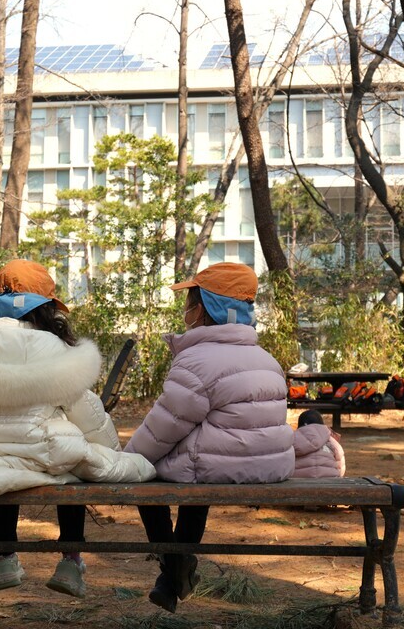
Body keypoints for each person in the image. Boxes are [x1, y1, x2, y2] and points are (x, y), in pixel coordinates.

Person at [0, 259, 156, 598]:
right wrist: (108, 449)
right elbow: (85, 410)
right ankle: (70, 560)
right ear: (45, 307)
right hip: (44, 450)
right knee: (70, 464)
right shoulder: (52, 346)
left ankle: (3, 558)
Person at [124, 262, 294, 613]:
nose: (186, 310)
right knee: (195, 473)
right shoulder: (267, 358)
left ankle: (174, 570)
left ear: (200, 309)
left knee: (146, 481)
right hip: (270, 465)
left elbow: (163, 427)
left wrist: (128, 459)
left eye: (189, 302)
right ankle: (174, 577)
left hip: (218, 467)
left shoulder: (197, 360)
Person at [292, 409, 346, 478]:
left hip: (299, 482)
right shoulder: (331, 440)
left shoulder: (293, 440)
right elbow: (340, 464)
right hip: (330, 482)